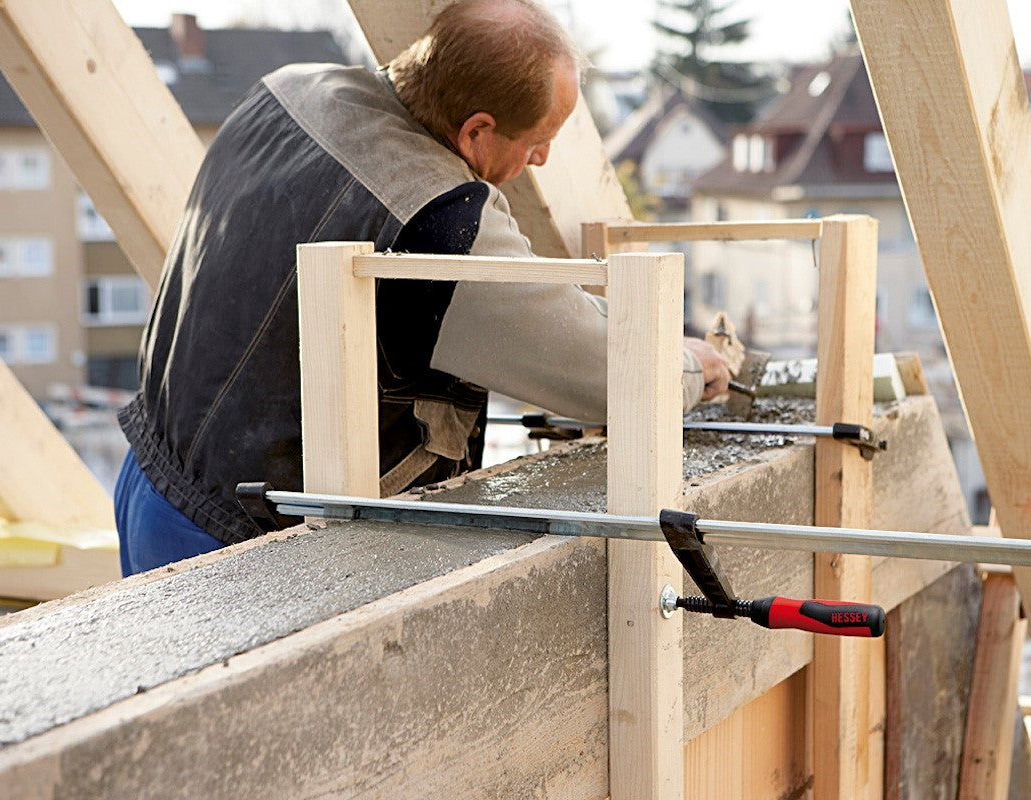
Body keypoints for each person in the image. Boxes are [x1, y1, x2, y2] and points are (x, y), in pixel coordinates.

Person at [113, 0, 729, 576]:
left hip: (152, 469)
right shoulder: (437, 220)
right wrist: (688, 368)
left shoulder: (288, 90)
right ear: (476, 131)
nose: (542, 158)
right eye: (538, 140)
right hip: (244, 542)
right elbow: (611, 377)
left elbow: (539, 307)